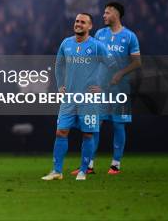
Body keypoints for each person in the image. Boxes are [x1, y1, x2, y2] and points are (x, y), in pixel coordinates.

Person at [42, 13, 115, 181]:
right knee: (61, 132)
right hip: (69, 99)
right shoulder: (66, 44)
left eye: (83, 22)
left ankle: (83, 171)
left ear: (90, 26)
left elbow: (113, 65)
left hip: (89, 100)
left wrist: (103, 87)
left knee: (88, 134)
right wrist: (60, 85)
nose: (78, 24)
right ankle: (57, 171)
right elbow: (59, 65)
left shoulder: (97, 46)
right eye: (77, 21)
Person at [71, 1, 141, 175]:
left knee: (118, 125)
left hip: (120, 89)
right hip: (99, 88)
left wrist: (120, 73)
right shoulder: (100, 34)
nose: (104, 15)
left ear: (116, 14)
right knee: (93, 125)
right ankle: (88, 165)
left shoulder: (130, 36)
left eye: (107, 12)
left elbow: (137, 62)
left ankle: (115, 164)